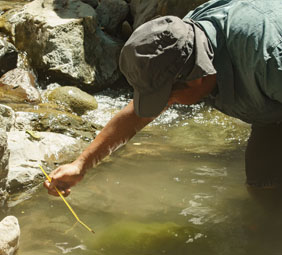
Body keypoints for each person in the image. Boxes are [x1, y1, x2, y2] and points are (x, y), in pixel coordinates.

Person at [44, 0, 282, 197]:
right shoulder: (182, 39)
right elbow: (137, 115)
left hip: (270, 73)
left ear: (197, 79)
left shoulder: (270, 59)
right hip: (266, 100)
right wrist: (81, 164)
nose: (167, 104)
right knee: (263, 184)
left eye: (168, 98)